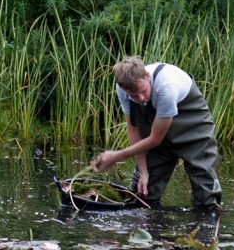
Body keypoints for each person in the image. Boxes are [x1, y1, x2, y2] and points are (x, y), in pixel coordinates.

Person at [92, 56, 222, 212]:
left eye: (142, 91)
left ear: (147, 76)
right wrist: (143, 171)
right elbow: (134, 129)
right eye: (133, 96)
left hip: (193, 131)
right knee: (141, 197)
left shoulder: (167, 87)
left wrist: (117, 155)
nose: (140, 98)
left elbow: (155, 139)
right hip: (156, 137)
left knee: (206, 201)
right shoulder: (122, 89)